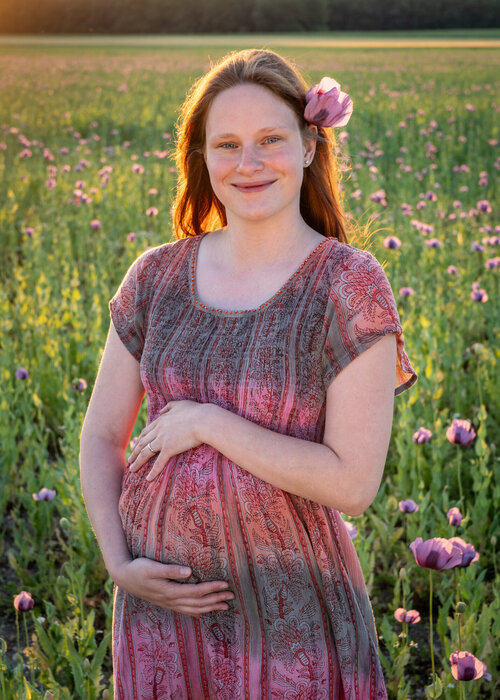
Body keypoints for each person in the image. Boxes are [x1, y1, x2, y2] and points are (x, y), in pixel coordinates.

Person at [80, 48, 417, 700]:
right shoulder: (155, 276)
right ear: (202, 159)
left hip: (288, 621)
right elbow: (100, 437)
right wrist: (118, 563)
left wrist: (208, 422)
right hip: (160, 616)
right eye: (227, 145)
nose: (248, 163)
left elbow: (353, 484)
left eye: (270, 140)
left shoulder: (348, 284)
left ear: (310, 146)